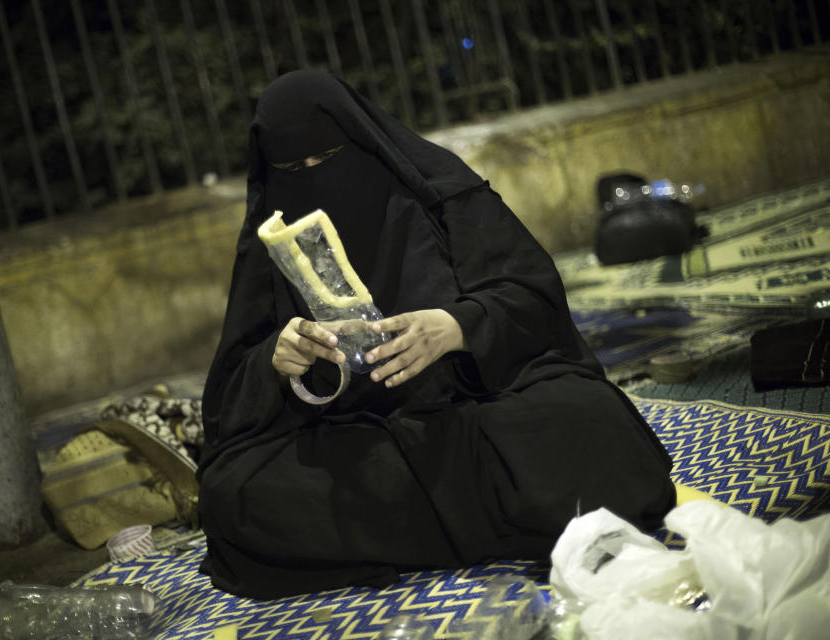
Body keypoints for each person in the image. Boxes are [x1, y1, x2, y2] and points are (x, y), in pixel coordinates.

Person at [197, 70, 675, 600]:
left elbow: (533, 299)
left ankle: (404, 533)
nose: (312, 178)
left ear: (361, 141)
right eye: (291, 169)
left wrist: (456, 327)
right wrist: (279, 357)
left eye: (328, 158)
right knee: (231, 494)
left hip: (477, 407)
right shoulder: (268, 250)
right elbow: (229, 402)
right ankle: (502, 519)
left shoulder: (439, 195)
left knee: (591, 423)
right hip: (359, 437)